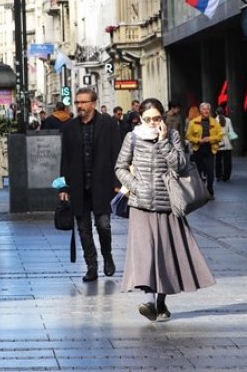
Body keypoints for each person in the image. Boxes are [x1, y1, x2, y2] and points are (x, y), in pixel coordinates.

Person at [115, 98, 215, 321]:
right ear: (141, 119)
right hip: (141, 206)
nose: (152, 123)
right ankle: (150, 302)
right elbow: (120, 167)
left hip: (168, 205)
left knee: (166, 257)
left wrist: (163, 141)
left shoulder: (172, 136)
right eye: (148, 119)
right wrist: (136, 186)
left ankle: (160, 302)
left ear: (163, 117)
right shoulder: (132, 138)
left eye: (157, 118)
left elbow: (180, 165)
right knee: (146, 256)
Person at [60, 87, 121, 282]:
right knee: (83, 229)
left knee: (103, 225)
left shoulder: (109, 124)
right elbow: (65, 159)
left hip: (102, 185)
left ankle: (108, 256)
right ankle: (91, 266)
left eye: (83, 102)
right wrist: (63, 187)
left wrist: (117, 182)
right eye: (77, 102)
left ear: (93, 103)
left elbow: (117, 154)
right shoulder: (69, 127)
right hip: (78, 186)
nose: (79, 106)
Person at [186, 102, 223, 199]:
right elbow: (188, 136)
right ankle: (200, 191)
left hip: (210, 149)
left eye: (207, 109)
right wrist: (198, 140)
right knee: (199, 171)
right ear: (200, 110)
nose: (206, 111)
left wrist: (210, 139)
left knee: (210, 171)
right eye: (204, 109)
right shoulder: (193, 122)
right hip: (198, 149)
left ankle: (210, 191)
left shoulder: (214, 122)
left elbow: (220, 135)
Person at [215, 106, 235, 182]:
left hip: (218, 141)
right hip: (227, 142)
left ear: (216, 113)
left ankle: (218, 175)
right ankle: (226, 176)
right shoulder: (228, 120)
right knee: (227, 160)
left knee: (218, 160)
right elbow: (231, 131)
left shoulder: (214, 121)